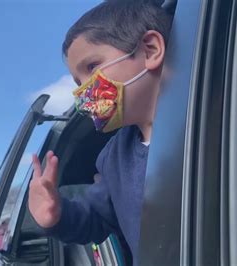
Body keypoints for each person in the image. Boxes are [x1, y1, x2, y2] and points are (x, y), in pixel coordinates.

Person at [28, 1, 172, 265]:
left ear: (150, 50)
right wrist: (58, 213)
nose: (82, 91)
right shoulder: (113, 157)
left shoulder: (211, 113)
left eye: (91, 67)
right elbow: (97, 217)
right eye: (78, 82)